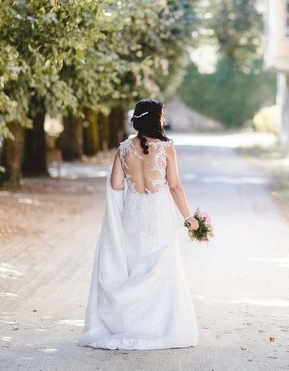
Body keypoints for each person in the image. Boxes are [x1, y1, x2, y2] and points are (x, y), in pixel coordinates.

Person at [78, 98, 199, 350]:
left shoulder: (123, 149)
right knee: (159, 268)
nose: (164, 120)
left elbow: (115, 185)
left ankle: (131, 323)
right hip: (158, 215)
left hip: (133, 214)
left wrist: (134, 176)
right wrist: (188, 217)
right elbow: (175, 186)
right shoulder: (166, 148)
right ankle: (155, 326)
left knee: (135, 266)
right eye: (162, 116)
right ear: (155, 119)